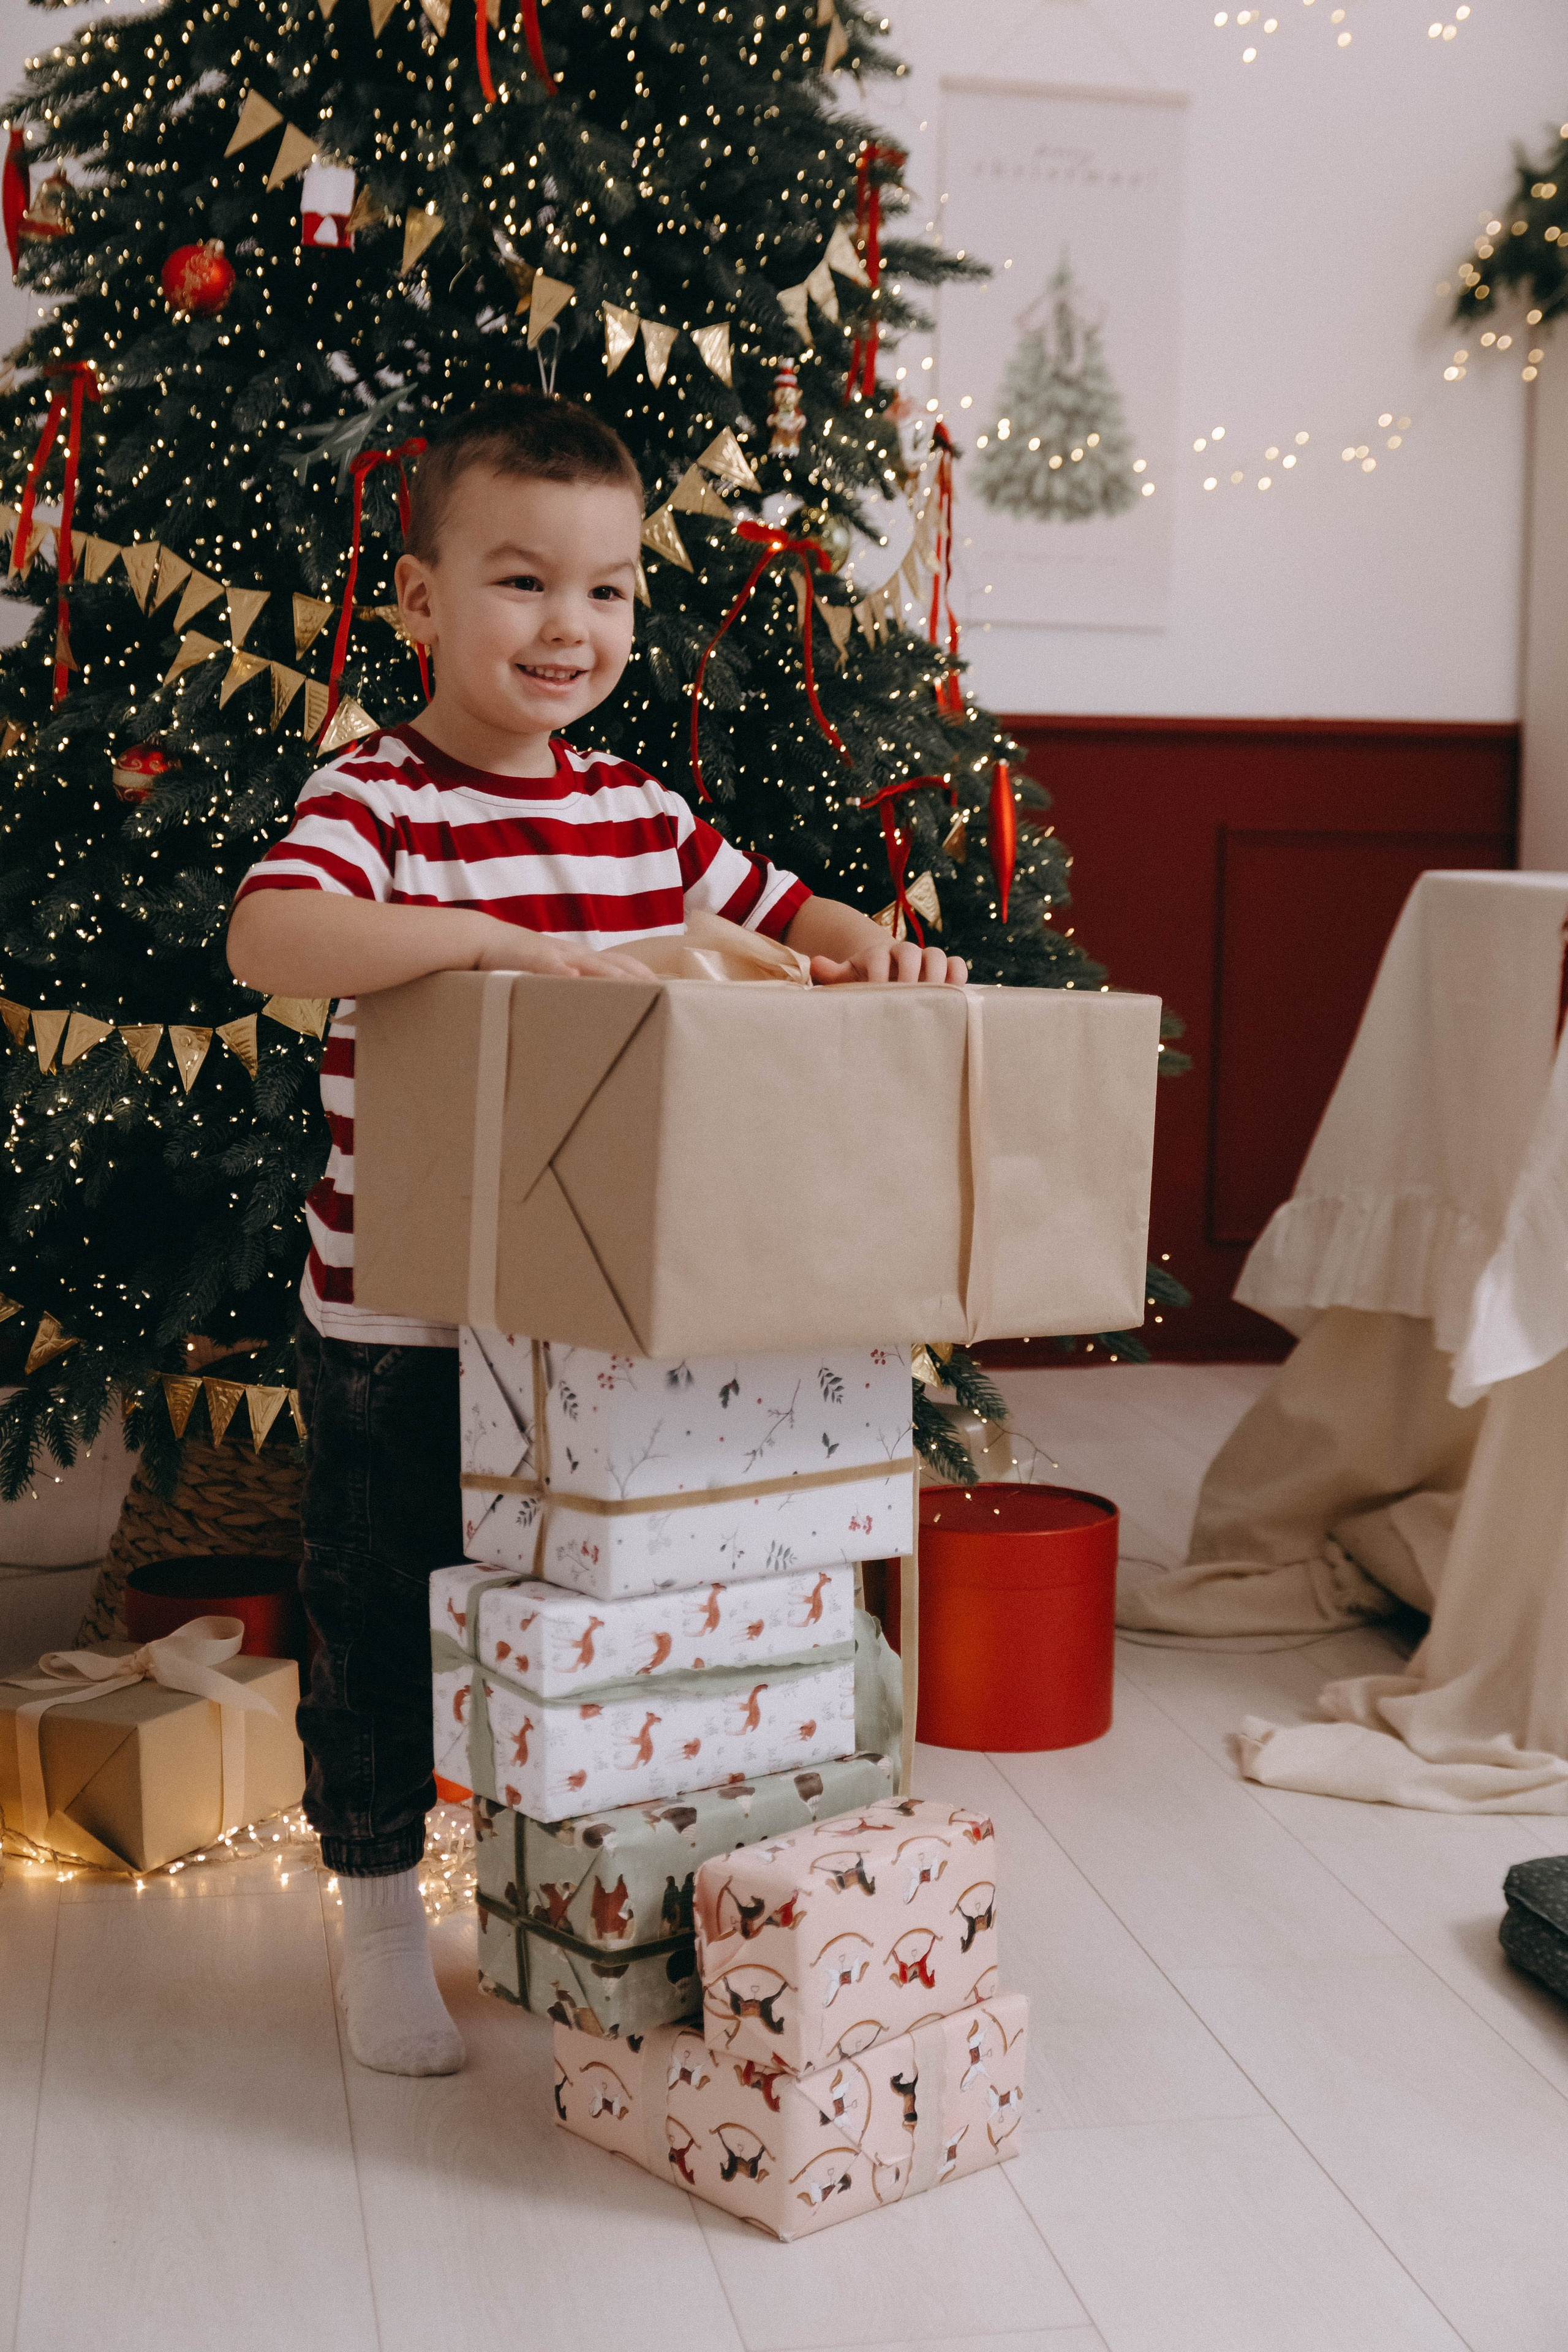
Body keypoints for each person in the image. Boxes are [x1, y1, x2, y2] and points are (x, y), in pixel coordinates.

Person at [227, 388, 965, 2077]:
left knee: (591, 1635)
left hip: (600, 1335)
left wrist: (881, 950)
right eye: (521, 584)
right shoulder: (383, 797)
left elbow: (785, 910)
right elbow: (266, 937)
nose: (571, 627)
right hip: (405, 1317)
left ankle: (580, 1900)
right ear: (419, 603)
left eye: (609, 590)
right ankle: (374, 1914)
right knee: (381, 1610)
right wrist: (476, 936)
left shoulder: (635, 816)